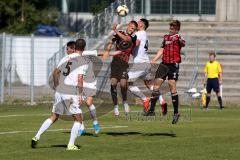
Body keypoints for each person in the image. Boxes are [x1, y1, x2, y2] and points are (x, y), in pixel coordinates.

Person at [31, 39, 89, 150]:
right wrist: (81, 95)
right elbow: (80, 79)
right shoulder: (82, 60)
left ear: (75, 47)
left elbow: (55, 72)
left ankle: (37, 136)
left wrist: (57, 85)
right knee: (78, 119)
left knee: (54, 116)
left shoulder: (65, 58)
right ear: (84, 48)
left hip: (60, 91)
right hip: (70, 93)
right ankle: (71, 145)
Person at [145, 20, 185, 124]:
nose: (172, 28)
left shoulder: (178, 37)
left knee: (172, 85)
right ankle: (152, 110)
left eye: (174, 26)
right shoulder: (165, 37)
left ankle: (176, 113)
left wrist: (179, 40)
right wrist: (154, 59)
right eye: (171, 26)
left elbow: (183, 44)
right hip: (164, 64)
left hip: (173, 65)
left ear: (178, 28)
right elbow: (162, 50)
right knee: (156, 86)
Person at [127, 18, 168, 115]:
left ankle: (144, 99)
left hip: (140, 64)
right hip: (146, 63)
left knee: (126, 82)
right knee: (150, 85)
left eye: (138, 22)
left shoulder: (139, 34)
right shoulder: (145, 35)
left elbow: (135, 43)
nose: (137, 23)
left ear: (141, 25)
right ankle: (162, 101)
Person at [104, 20, 138, 116]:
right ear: (128, 26)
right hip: (115, 61)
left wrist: (115, 30)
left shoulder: (132, 38)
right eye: (131, 28)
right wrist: (108, 49)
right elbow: (112, 40)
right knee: (113, 83)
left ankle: (125, 102)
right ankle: (115, 106)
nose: (132, 30)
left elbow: (126, 39)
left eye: (134, 29)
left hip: (124, 63)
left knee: (123, 84)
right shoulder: (120, 33)